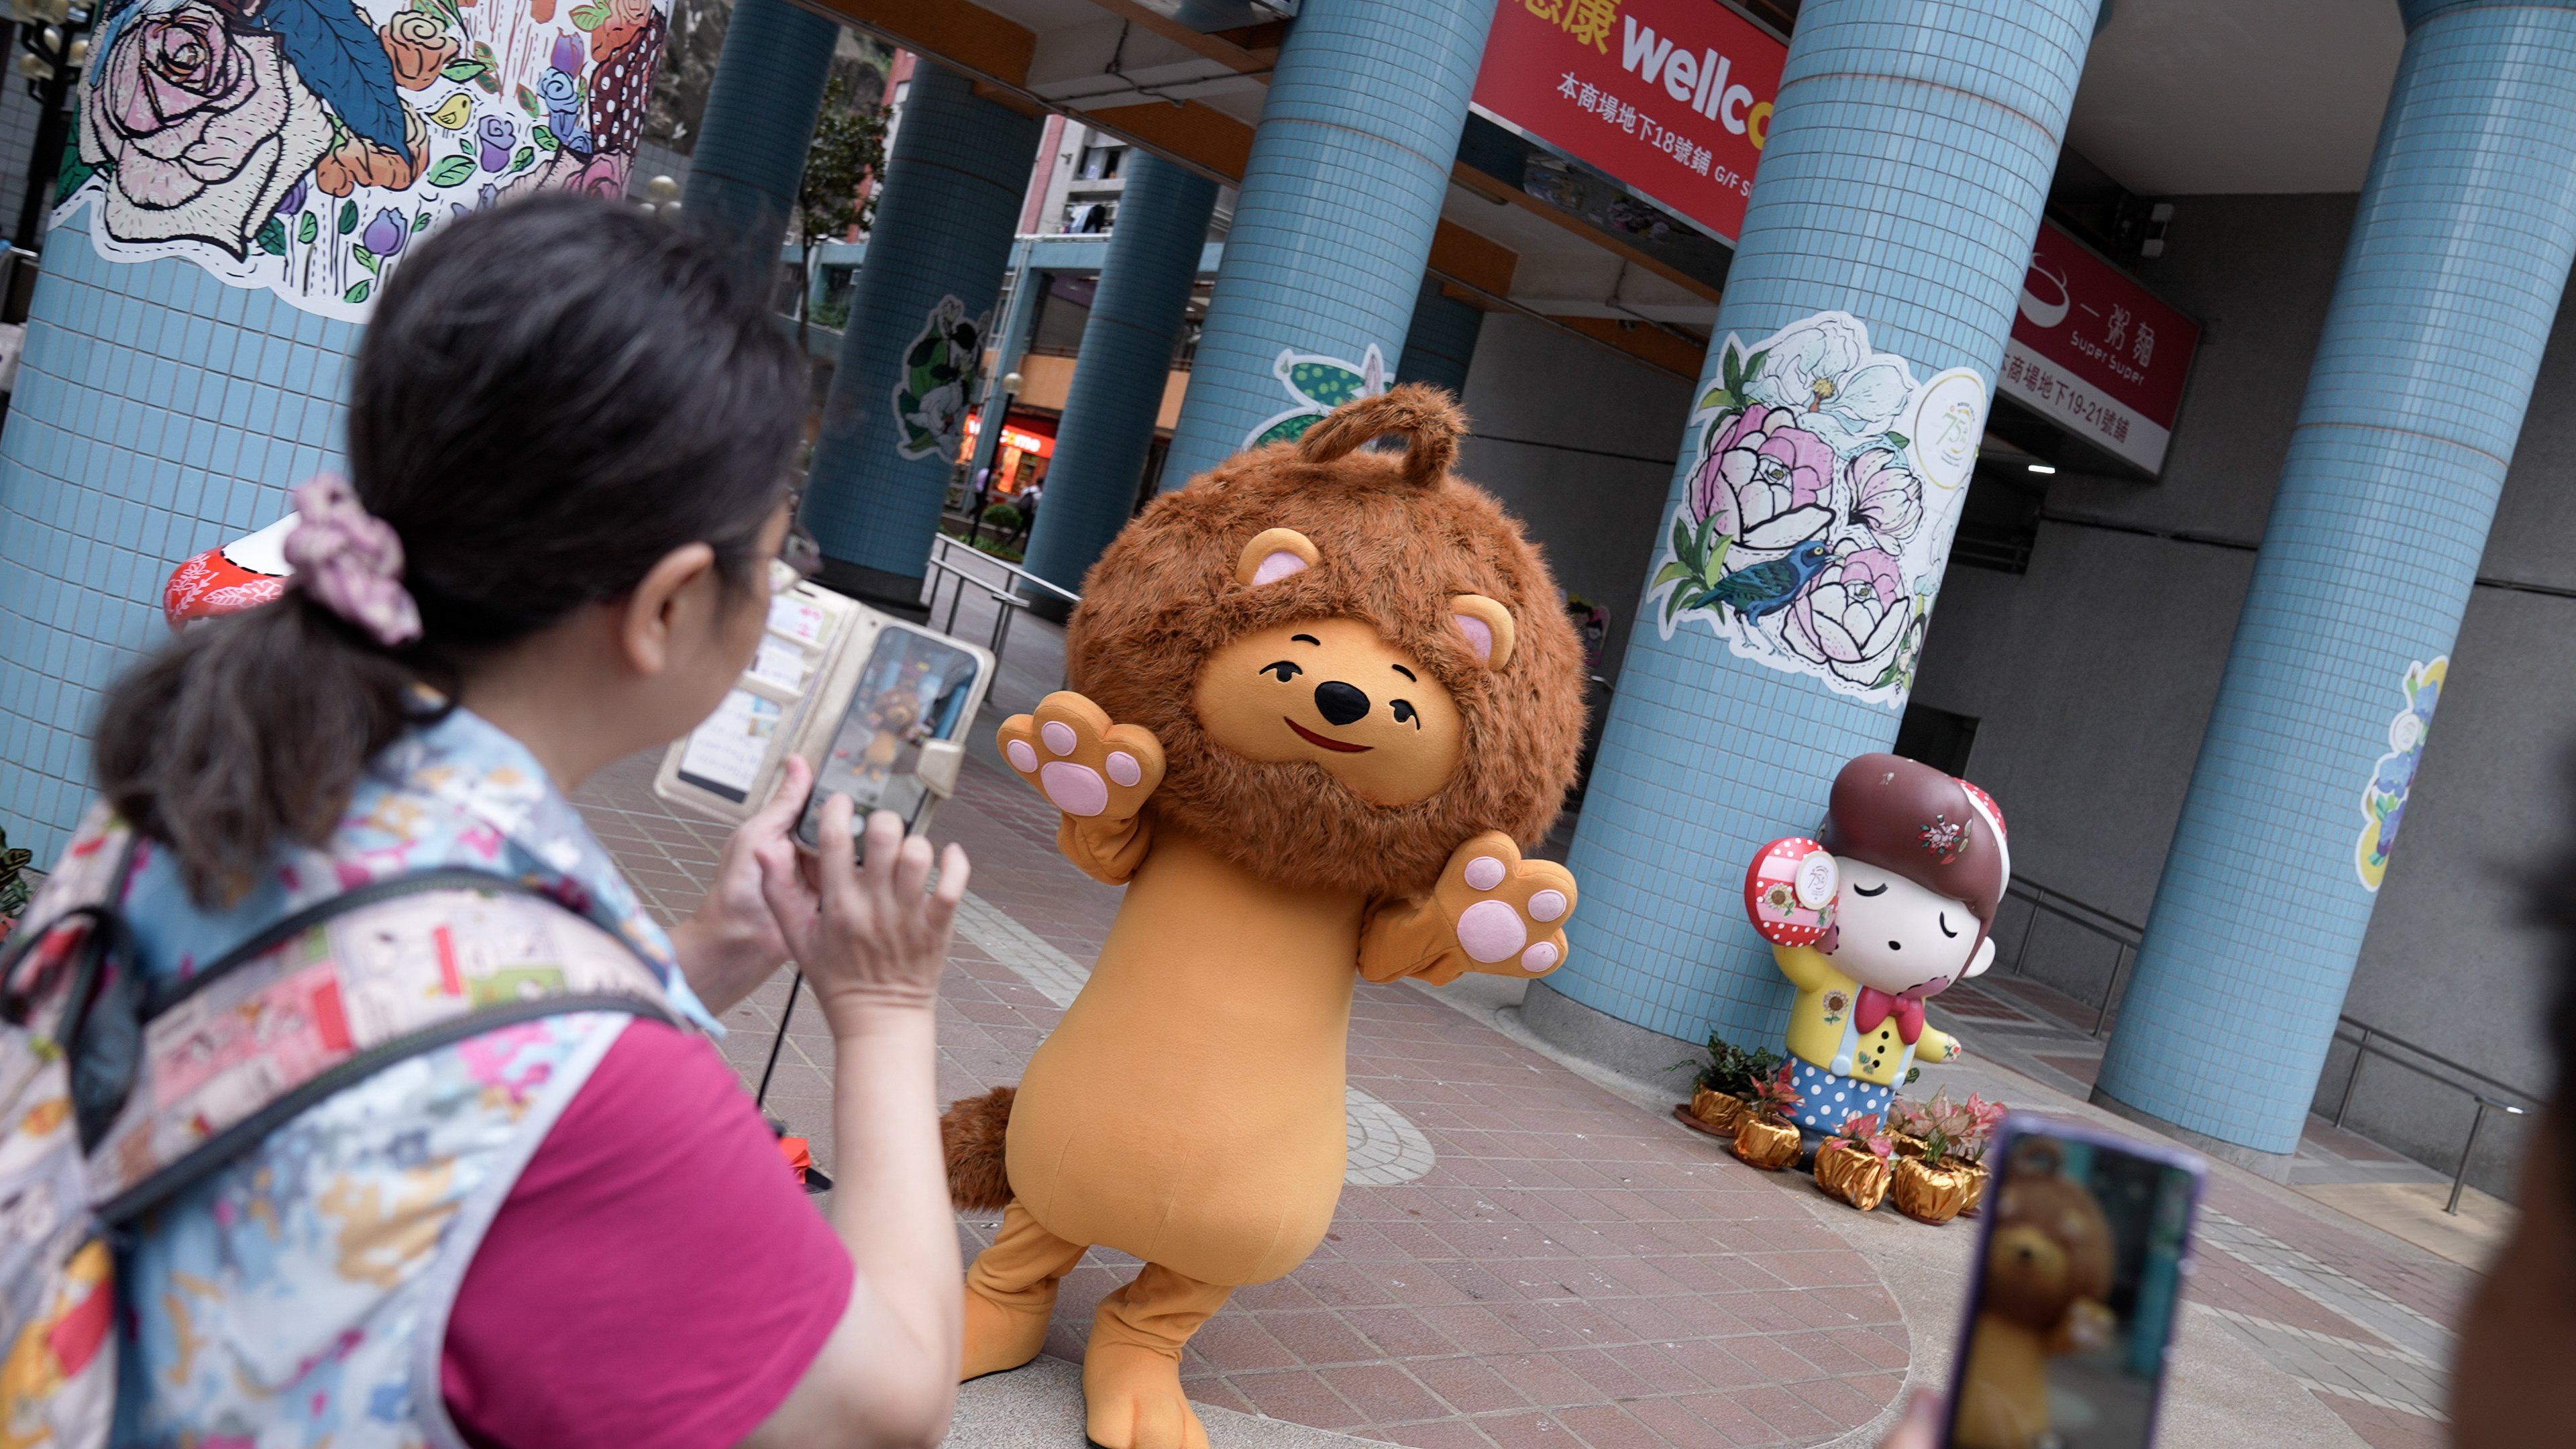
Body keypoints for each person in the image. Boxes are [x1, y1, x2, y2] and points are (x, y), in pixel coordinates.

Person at [70, 196, 965, 1448]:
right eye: (776, 556)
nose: (781, 596)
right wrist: (883, 1010)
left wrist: (697, 958)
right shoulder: (599, 1070)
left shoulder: (214, 777)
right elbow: (886, 1403)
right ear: (668, 606)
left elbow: (398, 1037)